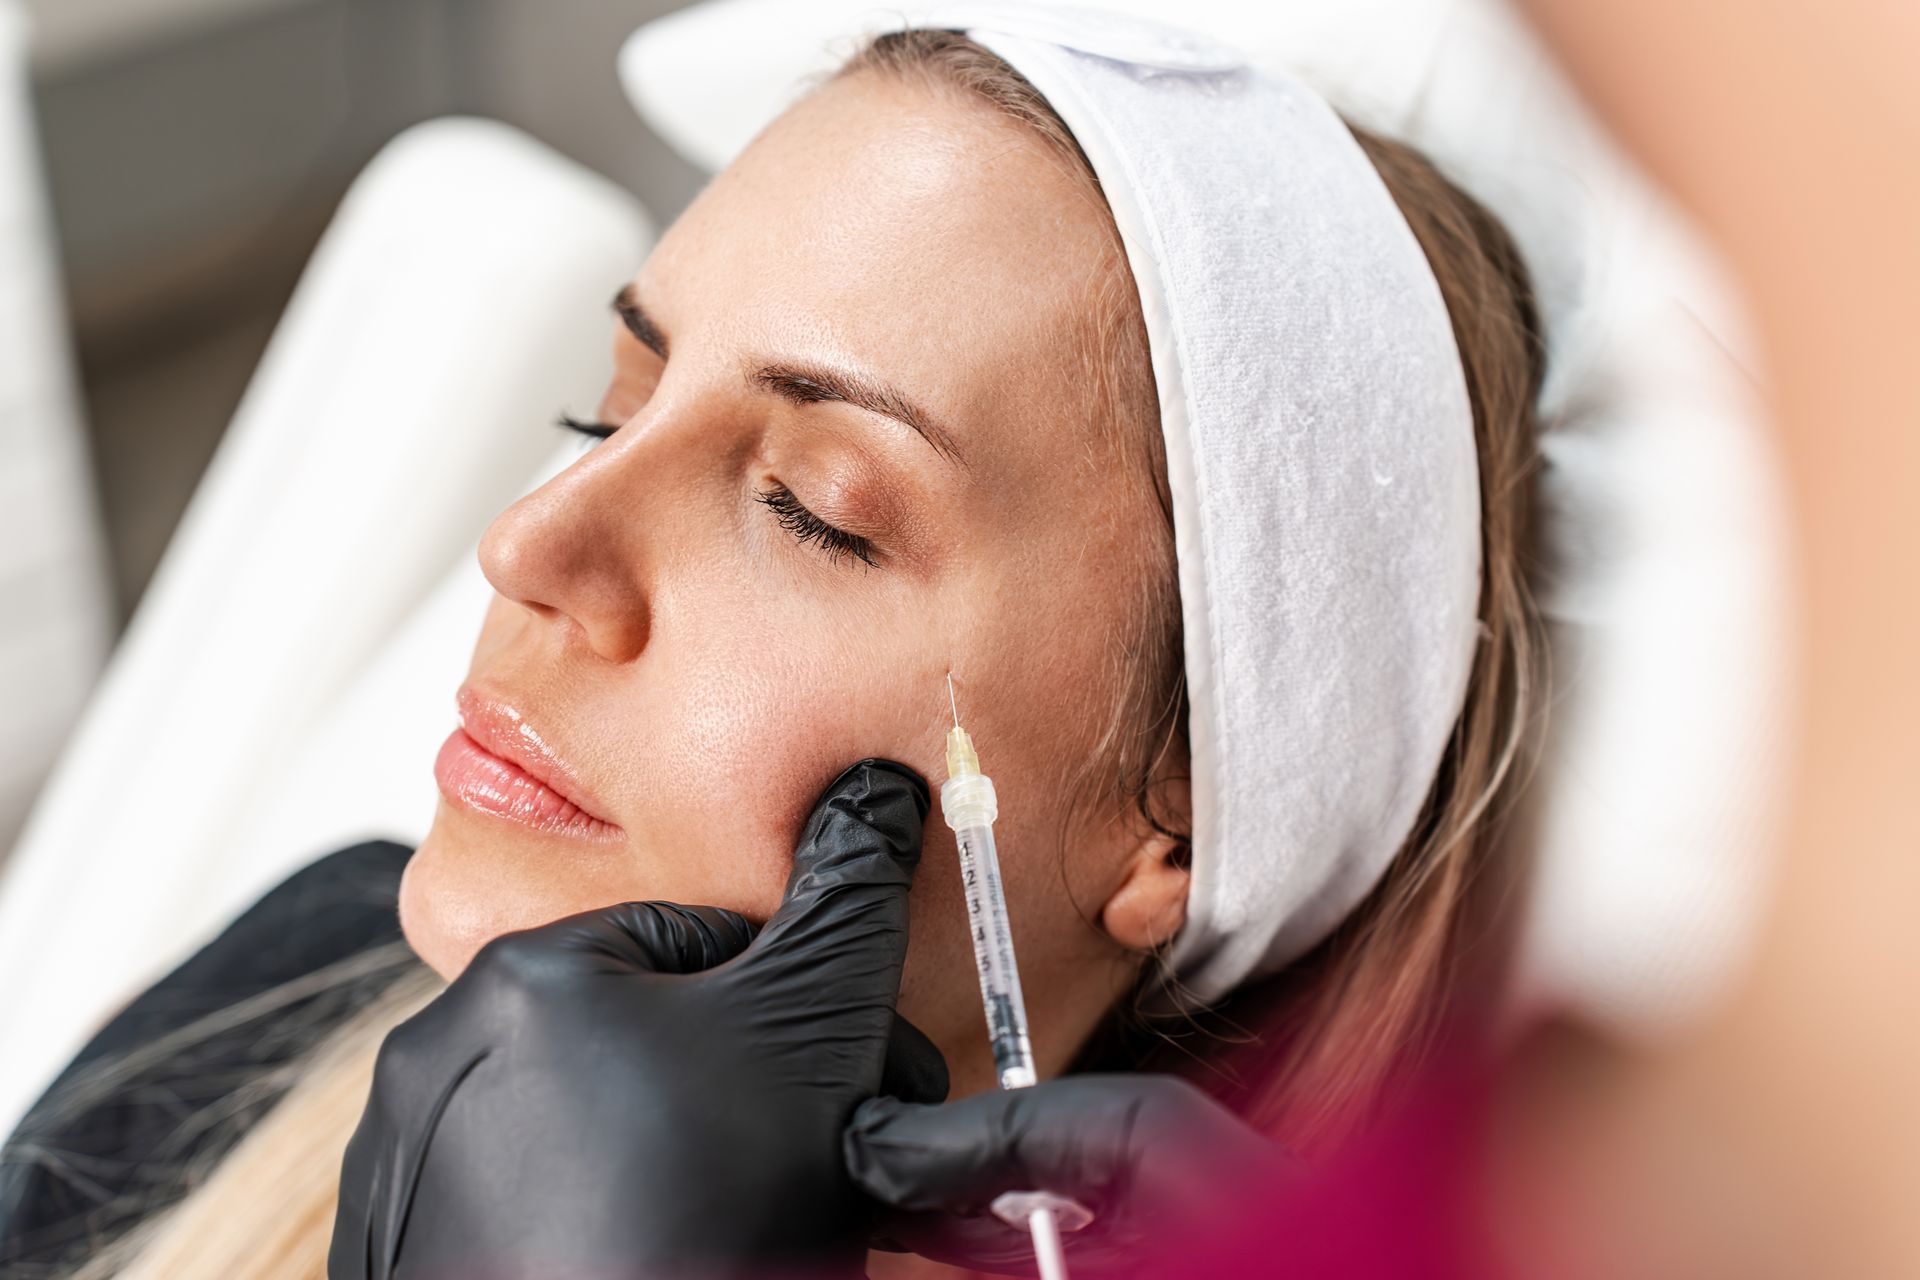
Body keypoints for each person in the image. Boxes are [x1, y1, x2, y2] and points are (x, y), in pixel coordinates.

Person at [0, 16, 1546, 1279]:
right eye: (603, 413)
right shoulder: (302, 971)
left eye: (813, 511)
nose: (528, 549)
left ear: (1179, 805)